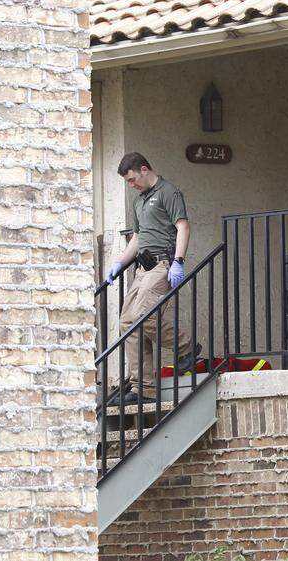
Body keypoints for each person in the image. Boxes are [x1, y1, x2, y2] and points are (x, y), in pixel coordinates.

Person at [102, 152, 196, 405]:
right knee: (126, 322)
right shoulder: (139, 201)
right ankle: (143, 388)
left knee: (143, 316)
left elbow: (183, 227)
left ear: (144, 169)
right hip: (142, 269)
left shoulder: (168, 192)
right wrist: (120, 263)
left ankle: (186, 347)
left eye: (132, 179)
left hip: (162, 264)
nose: (131, 185)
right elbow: (138, 237)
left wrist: (178, 261)